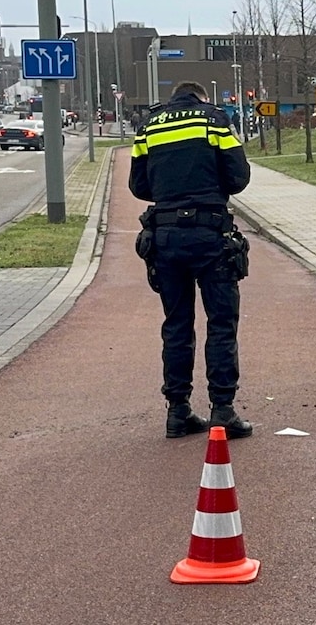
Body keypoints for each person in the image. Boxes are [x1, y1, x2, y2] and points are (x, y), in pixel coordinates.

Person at [128, 81, 254, 440]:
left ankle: (178, 411)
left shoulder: (149, 125)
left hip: (165, 237)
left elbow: (139, 186)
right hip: (209, 233)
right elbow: (238, 177)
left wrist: (171, 191)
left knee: (177, 324)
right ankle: (223, 410)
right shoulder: (214, 120)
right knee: (221, 323)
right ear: (202, 97)